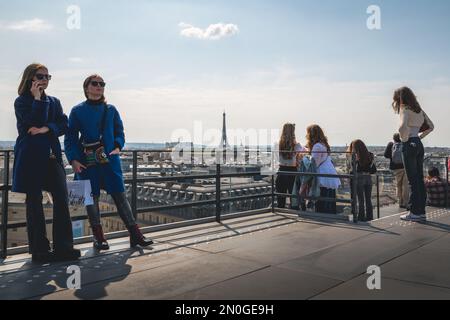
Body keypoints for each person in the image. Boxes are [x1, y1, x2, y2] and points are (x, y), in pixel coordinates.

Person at [64, 74, 153, 251]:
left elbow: (120, 132)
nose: (99, 86)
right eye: (95, 83)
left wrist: (118, 146)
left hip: (110, 160)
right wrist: (73, 159)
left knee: (120, 197)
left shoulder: (111, 109)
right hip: (86, 161)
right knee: (91, 199)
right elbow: (70, 137)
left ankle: (136, 235)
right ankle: (99, 238)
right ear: (86, 87)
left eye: (102, 84)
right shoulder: (77, 110)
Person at [12, 63, 80, 263]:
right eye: (40, 76)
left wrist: (45, 129)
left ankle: (64, 247)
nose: (44, 80)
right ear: (30, 78)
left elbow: (63, 125)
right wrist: (37, 99)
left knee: (62, 200)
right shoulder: (21, 101)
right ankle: (39, 250)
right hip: (31, 158)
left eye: (47, 76)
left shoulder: (55, 101)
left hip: (51, 158)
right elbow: (30, 123)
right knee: (34, 203)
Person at [392, 86, 434, 221]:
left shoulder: (405, 109)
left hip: (409, 144)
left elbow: (401, 126)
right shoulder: (418, 110)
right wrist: (419, 138)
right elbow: (431, 126)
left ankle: (414, 212)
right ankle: (421, 211)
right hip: (418, 144)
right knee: (419, 179)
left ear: (400, 98)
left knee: (412, 180)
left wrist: (404, 139)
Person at [305, 124, 341, 213]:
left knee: (322, 204)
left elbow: (314, 164)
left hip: (322, 177)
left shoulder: (317, 146)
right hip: (329, 175)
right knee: (329, 203)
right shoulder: (323, 144)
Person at [275, 123, 305, 208]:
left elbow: (277, 158)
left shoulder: (277, 144)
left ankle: (280, 215)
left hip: (281, 170)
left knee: (280, 198)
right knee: (294, 198)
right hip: (292, 171)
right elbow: (302, 155)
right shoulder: (297, 145)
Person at [348, 140, 377, 221]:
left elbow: (355, 169)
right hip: (368, 178)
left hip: (359, 178)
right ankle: (369, 217)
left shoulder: (356, 156)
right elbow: (373, 169)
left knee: (361, 199)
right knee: (368, 199)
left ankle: (361, 217)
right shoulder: (370, 155)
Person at [384, 133, 409, 209]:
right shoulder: (405, 143)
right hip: (405, 166)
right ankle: (406, 202)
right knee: (405, 185)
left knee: (398, 185)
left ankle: (400, 201)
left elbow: (386, 155)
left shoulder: (391, 144)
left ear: (393, 138)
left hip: (396, 167)